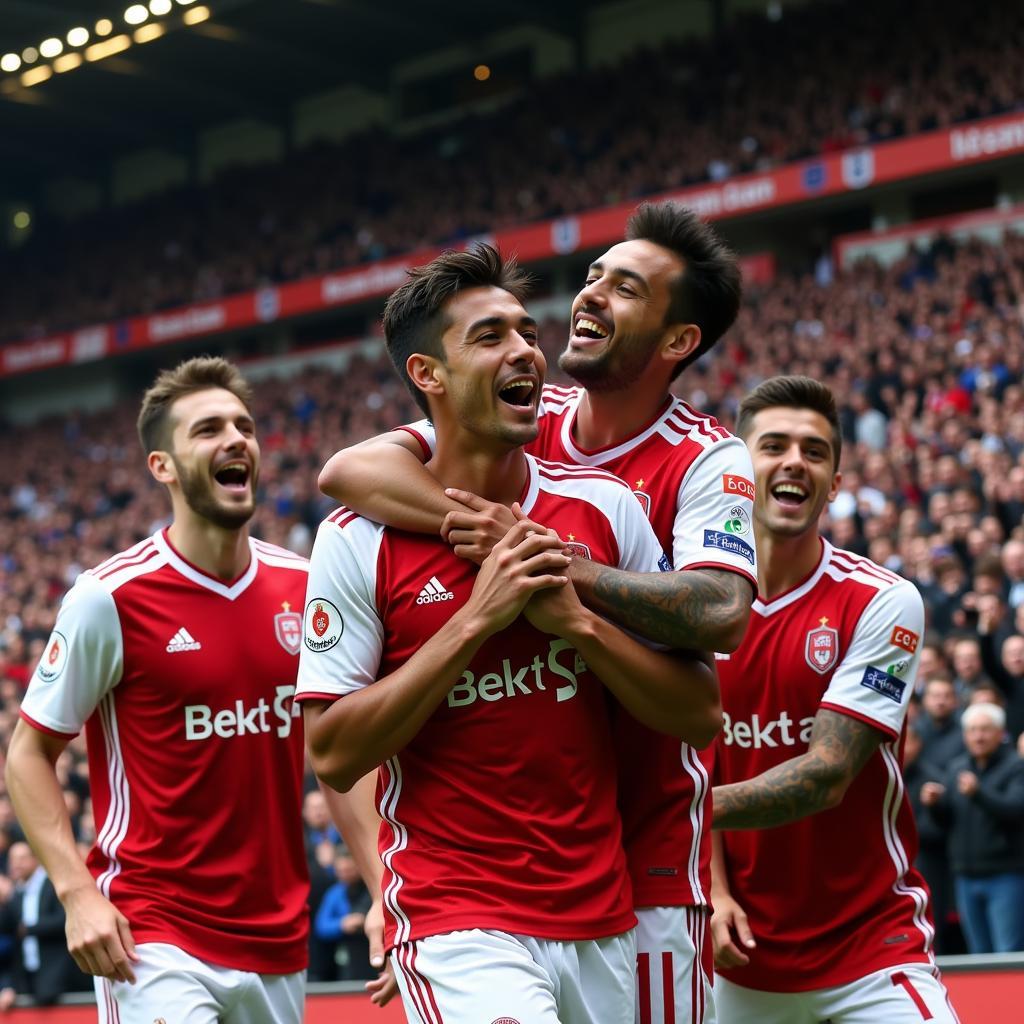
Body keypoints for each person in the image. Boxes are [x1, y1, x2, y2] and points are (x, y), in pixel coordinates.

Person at [319, 201, 754, 1023]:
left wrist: (555, 567)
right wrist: (492, 533)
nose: (588, 298)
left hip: (647, 847)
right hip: (491, 861)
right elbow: (347, 472)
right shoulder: (523, 415)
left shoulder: (703, 458)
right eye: (593, 277)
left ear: (676, 342)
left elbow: (722, 611)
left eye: (624, 289)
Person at [5, 357, 311, 1023]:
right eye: (207, 429)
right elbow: (27, 753)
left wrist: (380, 888)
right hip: (153, 936)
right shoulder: (109, 596)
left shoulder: (305, 585)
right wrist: (77, 892)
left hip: (278, 935)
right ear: (162, 466)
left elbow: (337, 759)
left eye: (245, 426)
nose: (235, 439)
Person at [709, 375, 958, 1022]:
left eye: (815, 451)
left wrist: (666, 816)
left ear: (834, 485)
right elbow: (682, 758)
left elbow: (824, 777)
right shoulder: (688, 604)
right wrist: (709, 887)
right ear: (736, 470)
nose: (795, 461)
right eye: (775, 446)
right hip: (735, 954)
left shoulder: (880, 600)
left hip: (870, 946)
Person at [920, 702, 1024, 953]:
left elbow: (1016, 809)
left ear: (1000, 733)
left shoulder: (1016, 766)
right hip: (965, 876)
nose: (978, 736)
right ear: (965, 735)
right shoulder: (957, 767)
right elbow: (944, 822)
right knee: (978, 956)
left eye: (985, 730)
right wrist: (934, 804)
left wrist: (979, 793)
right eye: (973, 730)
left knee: (1007, 954)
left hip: (1006, 876)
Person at [0, 842, 88, 1006]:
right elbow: (8, 928)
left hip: (61, 976)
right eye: (12, 859)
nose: (16, 864)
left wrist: (30, 929)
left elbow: (66, 919)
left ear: (36, 859)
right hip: (27, 976)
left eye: (21, 858)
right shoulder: (15, 893)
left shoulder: (54, 884)